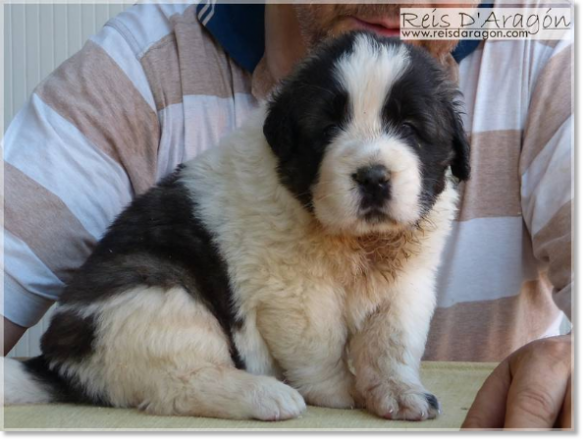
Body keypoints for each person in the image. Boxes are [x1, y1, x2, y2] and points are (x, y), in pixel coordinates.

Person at [2, 1, 572, 428]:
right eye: (330, 130)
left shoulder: (544, 46)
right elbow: (285, 287)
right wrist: (331, 384)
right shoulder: (139, 64)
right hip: (150, 326)